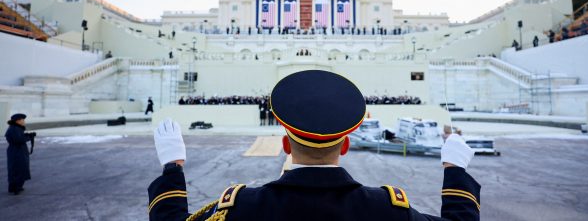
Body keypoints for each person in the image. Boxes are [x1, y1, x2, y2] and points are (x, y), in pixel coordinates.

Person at [148, 70, 480, 221]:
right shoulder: (387, 210)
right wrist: (455, 170)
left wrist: (172, 166)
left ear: (285, 145)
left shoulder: (242, 209)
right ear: (346, 144)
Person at [5, 113, 35, 195]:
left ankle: (14, 187)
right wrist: (29, 137)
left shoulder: (15, 128)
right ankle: (16, 187)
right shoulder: (15, 129)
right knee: (18, 169)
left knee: (18, 169)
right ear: (18, 121)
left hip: (18, 151)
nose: (24, 121)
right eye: (22, 120)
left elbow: (19, 137)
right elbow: (18, 140)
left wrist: (28, 135)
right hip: (17, 152)